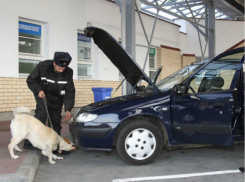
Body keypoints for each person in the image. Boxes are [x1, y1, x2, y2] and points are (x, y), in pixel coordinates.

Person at [24, 52, 75, 151]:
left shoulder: (69, 73)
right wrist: (38, 90)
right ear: (54, 63)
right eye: (59, 68)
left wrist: (68, 108)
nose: (61, 71)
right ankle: (30, 143)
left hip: (57, 98)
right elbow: (31, 80)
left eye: (63, 69)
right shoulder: (43, 67)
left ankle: (55, 144)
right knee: (41, 116)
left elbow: (70, 91)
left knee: (55, 120)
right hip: (43, 94)